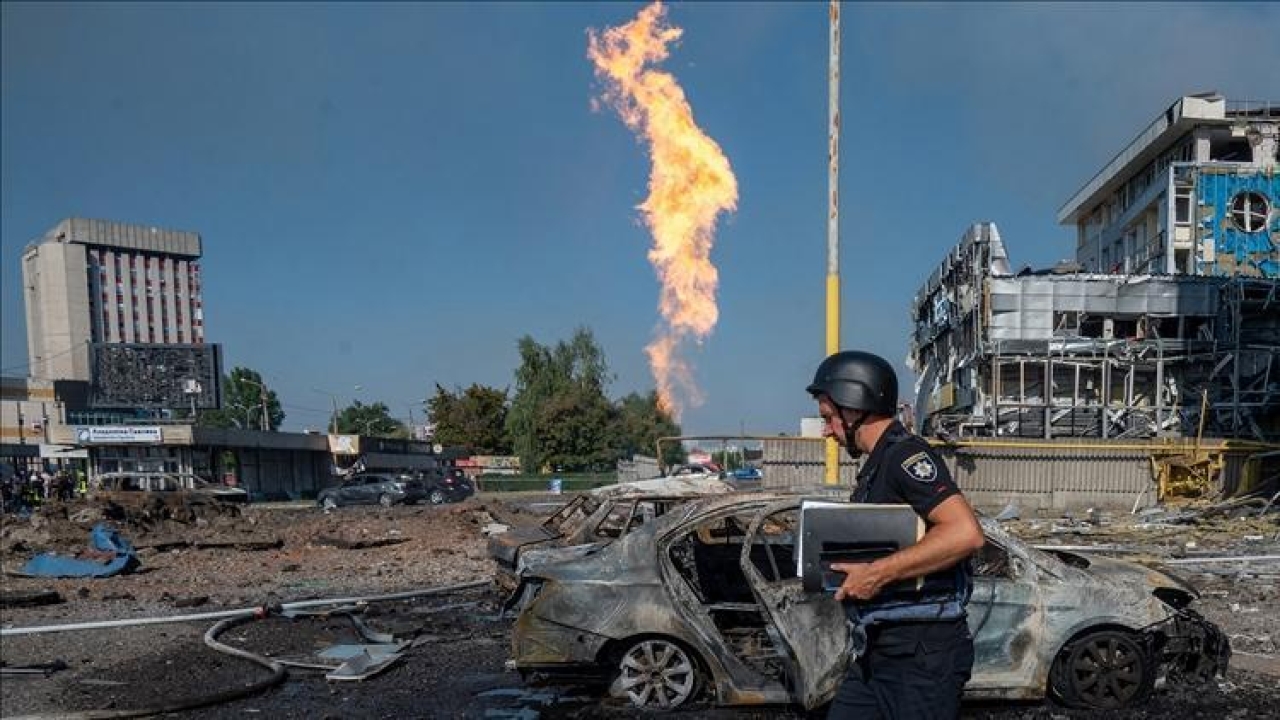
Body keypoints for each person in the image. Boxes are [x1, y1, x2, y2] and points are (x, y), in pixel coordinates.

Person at [806, 350, 985, 720]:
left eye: (828, 418)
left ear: (855, 408)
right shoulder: (876, 466)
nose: (826, 431)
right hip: (878, 649)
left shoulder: (906, 456)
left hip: (922, 658)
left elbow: (965, 533)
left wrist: (876, 574)